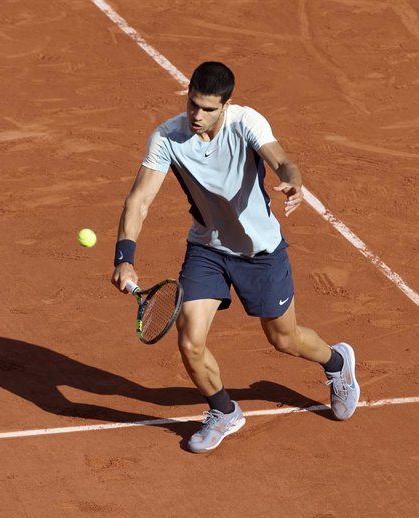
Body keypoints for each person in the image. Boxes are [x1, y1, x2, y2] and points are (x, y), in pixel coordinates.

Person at [110, 61, 360, 453]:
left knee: (284, 338)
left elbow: (281, 159)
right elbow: (139, 200)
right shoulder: (167, 138)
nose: (198, 115)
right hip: (207, 249)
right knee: (190, 340)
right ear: (188, 94)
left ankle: (336, 363)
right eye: (193, 104)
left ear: (227, 105)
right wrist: (124, 256)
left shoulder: (246, 123)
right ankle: (223, 411)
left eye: (209, 108)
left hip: (260, 252)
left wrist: (293, 181)